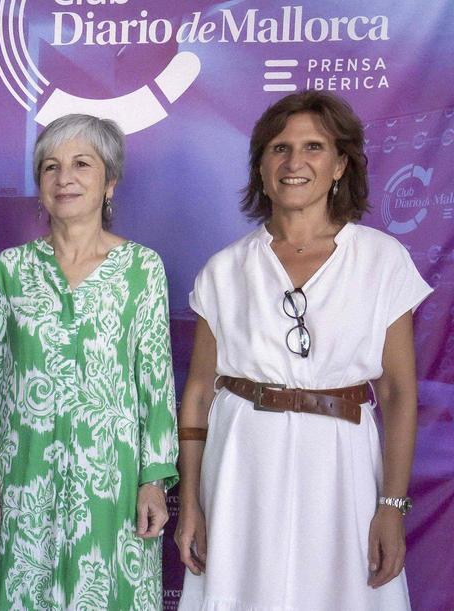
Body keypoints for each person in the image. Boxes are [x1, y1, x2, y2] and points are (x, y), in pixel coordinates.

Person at [176, 90, 428, 610]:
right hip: (243, 462)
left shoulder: (383, 260)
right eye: (278, 148)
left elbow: (400, 392)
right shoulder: (225, 269)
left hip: (342, 467)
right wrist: (192, 505)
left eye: (313, 147)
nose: (294, 162)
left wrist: (392, 506)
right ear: (261, 166)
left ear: (340, 165)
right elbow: (199, 395)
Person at [0, 113, 178, 610]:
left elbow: (156, 383)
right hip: (22, 480)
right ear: (39, 186)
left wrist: (153, 482)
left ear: (110, 181)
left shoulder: (142, 269)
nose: (66, 178)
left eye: (83, 163)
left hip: (113, 487)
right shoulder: (11, 269)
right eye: (51, 167)